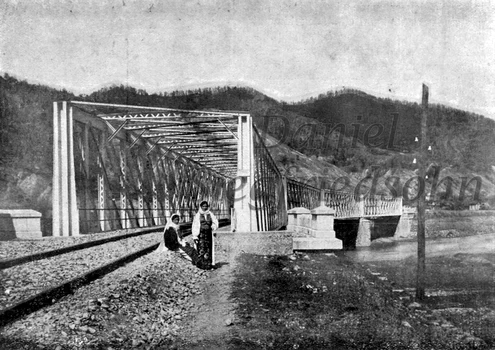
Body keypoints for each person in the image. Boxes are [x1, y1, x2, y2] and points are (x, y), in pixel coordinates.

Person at [192, 201, 219, 269]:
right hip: (201, 235)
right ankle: (202, 265)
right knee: (201, 249)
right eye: (203, 206)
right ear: (201, 207)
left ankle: (209, 264)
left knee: (209, 249)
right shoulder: (197, 215)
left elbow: (215, 221)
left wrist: (213, 226)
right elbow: (195, 225)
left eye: (206, 206)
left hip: (208, 234)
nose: (205, 207)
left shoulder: (210, 214)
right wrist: (195, 236)